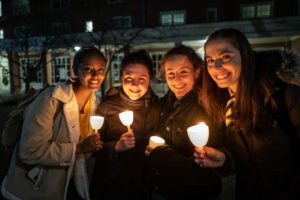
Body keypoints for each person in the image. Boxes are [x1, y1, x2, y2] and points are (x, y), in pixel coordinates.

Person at [195, 28, 300, 200]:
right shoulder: (223, 102)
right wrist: (224, 159)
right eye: (210, 60)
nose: (217, 67)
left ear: (245, 55)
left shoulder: (281, 91)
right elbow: (244, 160)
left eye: (226, 57)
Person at [1, 46, 106, 200]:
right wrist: (78, 148)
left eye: (101, 69)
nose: (96, 75)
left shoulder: (96, 104)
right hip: (31, 189)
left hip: (67, 187)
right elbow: (29, 151)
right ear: (76, 69)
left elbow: (85, 150)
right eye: (88, 69)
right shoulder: (50, 100)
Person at [146, 45, 228, 200]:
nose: (177, 79)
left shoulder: (208, 108)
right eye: (171, 73)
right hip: (161, 190)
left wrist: (159, 156)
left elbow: (206, 165)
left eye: (183, 72)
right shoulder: (165, 103)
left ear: (196, 73)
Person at [90, 50, 161, 200]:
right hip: (110, 187)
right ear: (121, 77)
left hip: (143, 187)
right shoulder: (107, 107)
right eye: (129, 77)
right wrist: (115, 147)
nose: (135, 84)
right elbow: (93, 150)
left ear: (150, 79)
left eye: (142, 78)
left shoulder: (157, 108)